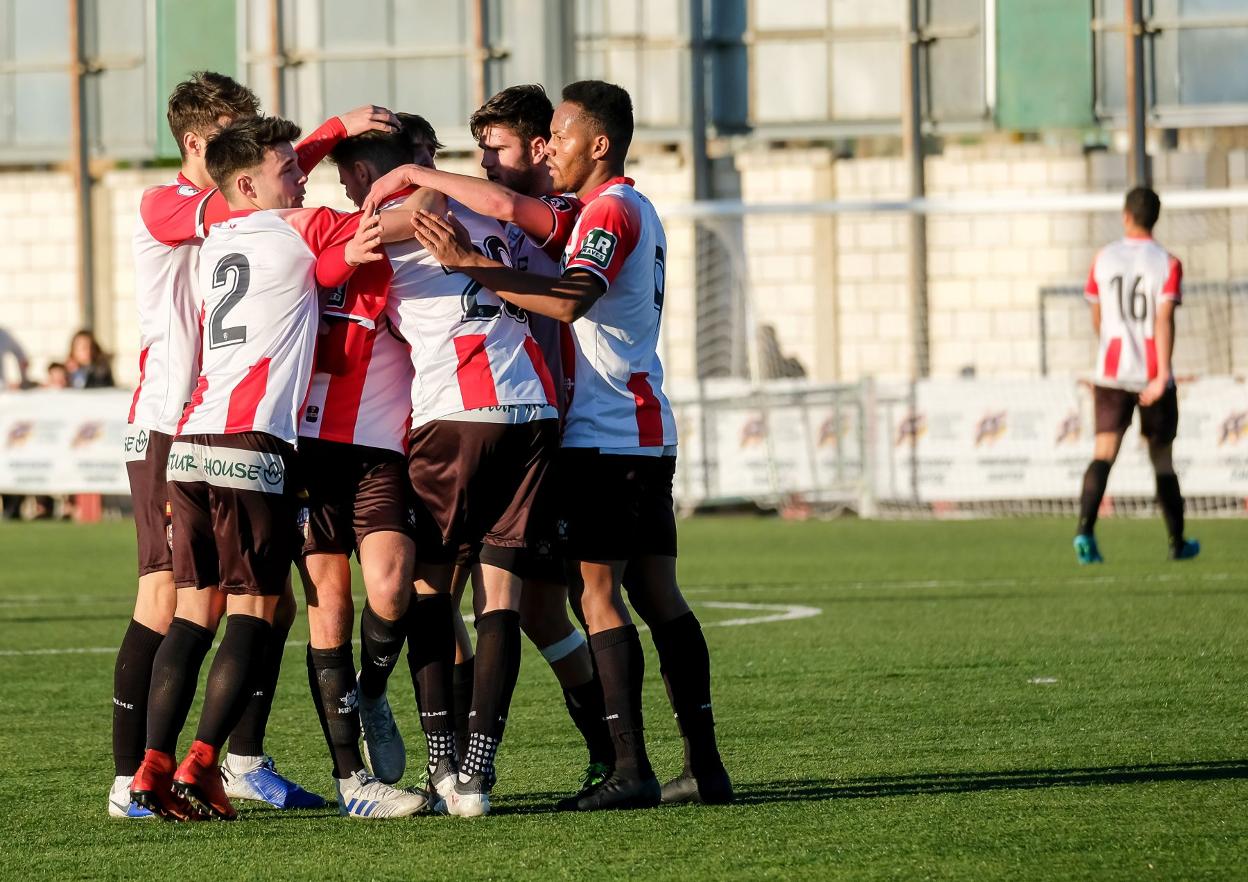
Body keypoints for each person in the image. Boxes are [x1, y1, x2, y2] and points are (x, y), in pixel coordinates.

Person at [401, 80, 732, 811]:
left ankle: (629, 770)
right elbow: (514, 211)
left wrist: (469, 264)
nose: (552, 148)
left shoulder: (609, 210)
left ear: (599, 142)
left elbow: (568, 299)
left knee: (598, 596)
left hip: (605, 434)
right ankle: (702, 768)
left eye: (562, 133)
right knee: (654, 594)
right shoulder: (613, 209)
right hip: (639, 429)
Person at [109, 70, 396, 819]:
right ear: (239, 176)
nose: (298, 176)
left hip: (192, 441)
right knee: (258, 609)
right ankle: (203, 766)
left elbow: (249, 203)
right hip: (249, 442)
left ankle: (152, 769)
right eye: (285, 167)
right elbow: (353, 249)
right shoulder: (290, 227)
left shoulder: (216, 242)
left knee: (194, 607)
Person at [387, 84, 615, 795]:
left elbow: (506, 220)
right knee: (527, 606)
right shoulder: (492, 215)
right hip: (538, 420)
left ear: (542, 148)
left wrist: (414, 175)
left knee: (521, 601)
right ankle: (491, 761)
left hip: (559, 427)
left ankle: (463, 762)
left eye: (498, 149)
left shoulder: (560, 217)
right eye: (478, 151)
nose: (484, 165)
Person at [370, 119, 561, 819]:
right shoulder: (492, 214)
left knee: (431, 589)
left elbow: (358, 242)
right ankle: (479, 775)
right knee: (499, 595)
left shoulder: (399, 232)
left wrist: (388, 197)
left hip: (457, 415)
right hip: (532, 407)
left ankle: (443, 761)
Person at [291, 115, 445, 819]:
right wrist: (334, 128)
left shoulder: (411, 244)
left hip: (380, 450)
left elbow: (440, 206)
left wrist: (408, 183)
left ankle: (374, 690)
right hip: (311, 452)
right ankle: (354, 781)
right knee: (331, 604)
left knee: (389, 591)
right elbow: (251, 179)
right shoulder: (312, 230)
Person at [1074, 186, 1200, 564]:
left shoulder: (1103, 257)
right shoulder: (1167, 262)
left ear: (1126, 215)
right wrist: (1160, 375)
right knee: (1162, 458)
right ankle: (1177, 543)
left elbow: (1097, 315)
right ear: (1155, 218)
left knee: (1103, 453)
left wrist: (1109, 350)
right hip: (1151, 374)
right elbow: (1163, 318)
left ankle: (1084, 532)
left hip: (1111, 373)